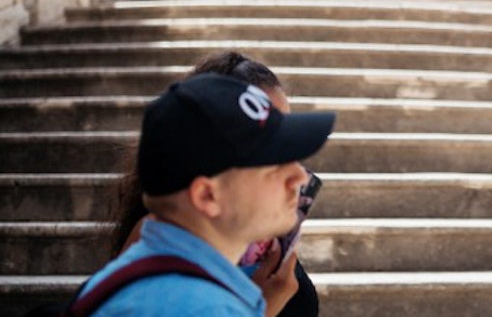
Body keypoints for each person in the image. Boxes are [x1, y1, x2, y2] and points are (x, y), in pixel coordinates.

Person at [76, 72, 336, 316]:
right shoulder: (200, 307)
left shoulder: (143, 273)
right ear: (207, 196)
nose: (300, 177)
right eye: (273, 165)